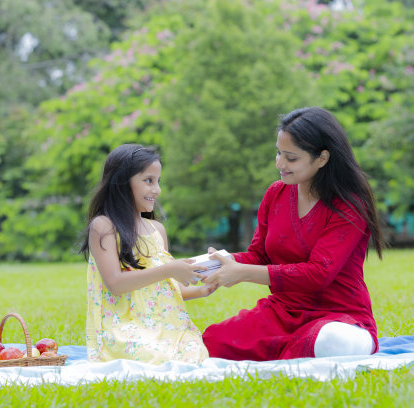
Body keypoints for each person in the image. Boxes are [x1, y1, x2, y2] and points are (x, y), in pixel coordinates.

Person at [202, 107, 385, 361]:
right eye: (278, 153)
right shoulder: (275, 194)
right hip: (283, 313)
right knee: (211, 343)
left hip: (338, 317)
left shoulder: (349, 204)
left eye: (291, 158)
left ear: (322, 158)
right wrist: (215, 264)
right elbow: (259, 256)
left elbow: (319, 273)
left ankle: (327, 346)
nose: (279, 163)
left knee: (331, 342)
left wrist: (243, 273)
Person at [79, 144, 216, 364]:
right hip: (125, 328)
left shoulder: (156, 230)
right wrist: (169, 269)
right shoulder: (104, 226)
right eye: (148, 181)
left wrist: (203, 290)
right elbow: (115, 283)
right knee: (154, 357)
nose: (157, 190)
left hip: (166, 324)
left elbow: (165, 289)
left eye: (158, 181)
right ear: (123, 182)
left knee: (194, 354)